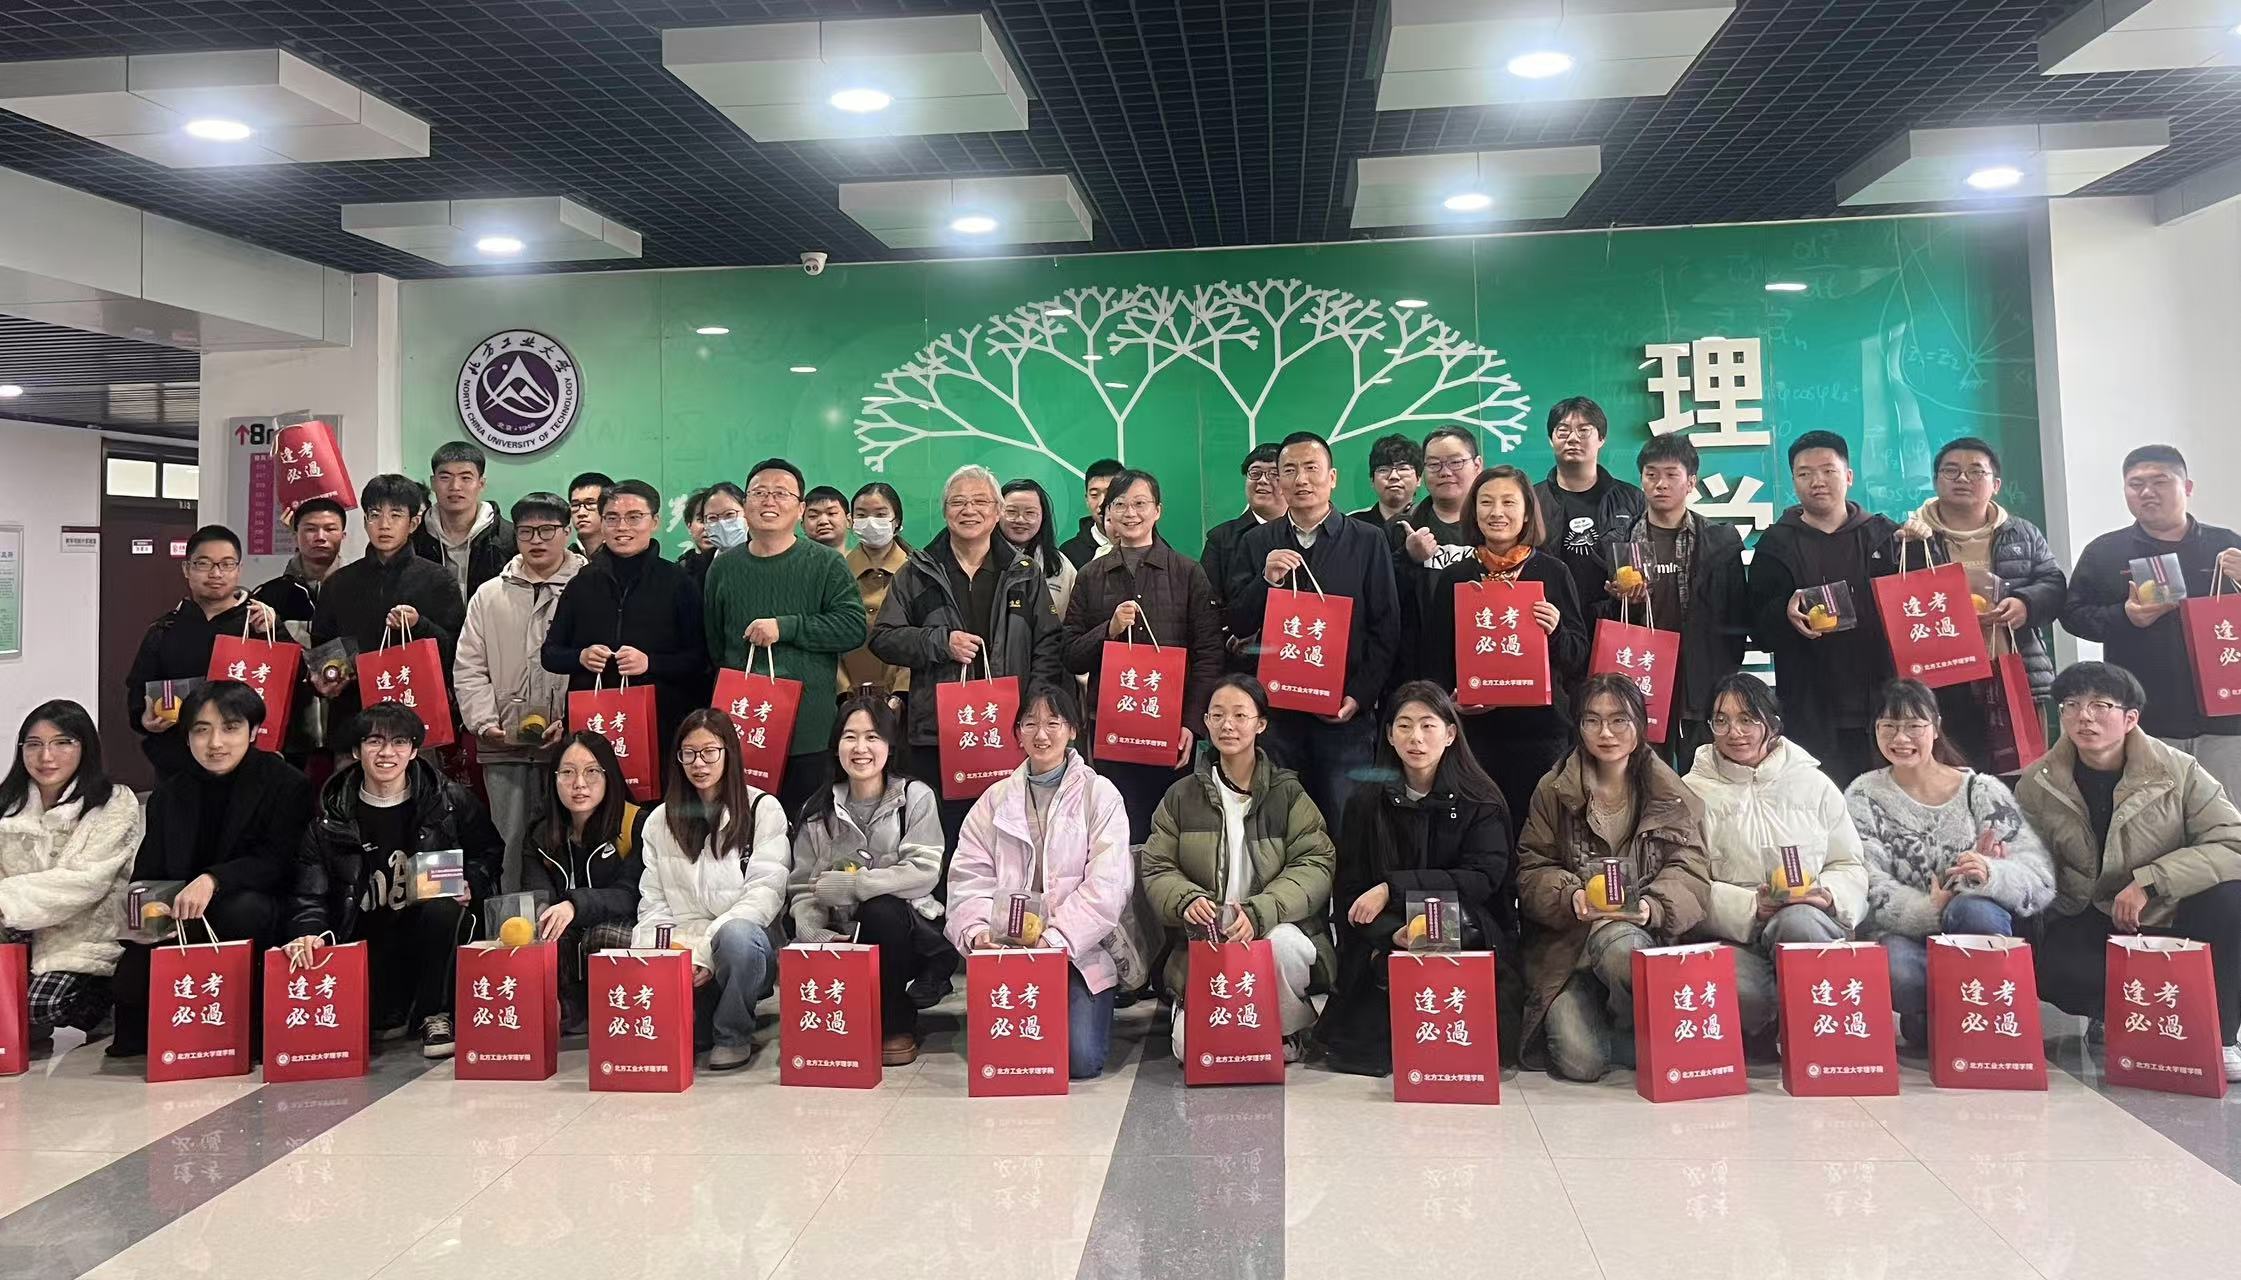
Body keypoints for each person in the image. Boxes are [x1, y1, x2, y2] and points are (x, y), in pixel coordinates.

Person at [2020, 662, 2241, 1079]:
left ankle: (2223, 1036)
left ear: (2130, 718)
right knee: (2053, 968)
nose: (2084, 717)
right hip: (2088, 913)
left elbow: (2233, 841)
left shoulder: (2178, 771)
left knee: (2232, 899)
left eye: (2100, 706)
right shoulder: (2039, 781)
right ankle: (2114, 1011)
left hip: (2169, 913)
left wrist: (2151, 881)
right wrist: (2003, 856)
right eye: (2072, 705)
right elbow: (2030, 860)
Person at [1315, 681, 1519, 1076]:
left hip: (1468, 931)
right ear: (1390, 735)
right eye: (1404, 726)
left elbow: (1482, 879)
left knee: (1462, 1051)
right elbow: (1350, 892)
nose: (1416, 738)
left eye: (1428, 725)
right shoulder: (1365, 802)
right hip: (1389, 936)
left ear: (1450, 733)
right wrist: (1393, 934)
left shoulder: (1481, 799)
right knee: (1362, 1052)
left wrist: (1392, 887)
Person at [282, 701, 504, 1059]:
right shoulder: (329, 819)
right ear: (357, 751)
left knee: (443, 907)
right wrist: (309, 932)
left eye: (399, 742)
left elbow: (489, 851)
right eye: (374, 742)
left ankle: (437, 1014)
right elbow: (310, 893)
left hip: (425, 931)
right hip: (363, 935)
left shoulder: (448, 801)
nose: (387, 753)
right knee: (375, 1026)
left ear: (414, 750)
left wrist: (470, 882)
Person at [1516, 674, 1710, 1082]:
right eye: (1592, 720)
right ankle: (1639, 1032)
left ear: (1639, 723)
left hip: (1640, 941)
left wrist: (1653, 907)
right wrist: (1570, 896)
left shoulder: (1670, 792)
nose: (1606, 733)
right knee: (1580, 1063)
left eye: (1619, 720)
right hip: (1571, 949)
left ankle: (1631, 1018)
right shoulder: (1554, 789)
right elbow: (1532, 868)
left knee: (1621, 944)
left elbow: (1691, 869)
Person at [110, 681, 315, 1058]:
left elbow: (279, 862)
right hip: (181, 913)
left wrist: (214, 880)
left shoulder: (286, 784)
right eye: (201, 730)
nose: (215, 743)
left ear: (253, 732)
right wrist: (146, 918)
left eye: (230, 728)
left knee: (241, 910)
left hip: (257, 905)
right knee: (129, 984)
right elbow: (148, 871)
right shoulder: (170, 794)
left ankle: (243, 1029)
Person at [1846, 679, 2053, 1051]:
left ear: (1936, 727)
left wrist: (1991, 874)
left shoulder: (1980, 790)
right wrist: (1926, 909)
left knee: (1977, 912)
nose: (1900, 738)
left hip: (1968, 922)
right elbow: (1866, 876)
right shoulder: (1863, 795)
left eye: (1914, 726)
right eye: (1888, 726)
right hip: (1901, 932)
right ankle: (1953, 1011)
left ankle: (1974, 1018)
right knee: (1897, 971)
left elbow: (2039, 877)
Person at [1141, 674, 1334, 1063]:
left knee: (1286, 944)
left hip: (1269, 928)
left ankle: (1289, 1027)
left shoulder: (1288, 794)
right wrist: (1185, 899)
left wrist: (1262, 911)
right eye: (1218, 715)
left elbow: (1316, 862)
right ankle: (1191, 1008)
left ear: (1261, 724)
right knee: (1190, 1051)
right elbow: (1157, 864)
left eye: (1240, 715)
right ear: (1206, 723)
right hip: (1205, 939)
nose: (1228, 725)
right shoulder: (1181, 796)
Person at [946, 681, 1134, 1079]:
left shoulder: (1099, 794)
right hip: (1006, 952)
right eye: (1030, 723)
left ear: (1073, 730)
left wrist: (1053, 941)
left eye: (1054, 722)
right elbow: (968, 877)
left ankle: (1091, 1004)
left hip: (1077, 951)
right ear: (1017, 733)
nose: (1041, 734)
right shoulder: (994, 799)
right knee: (1009, 1059)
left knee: (1079, 1060)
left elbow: (1109, 885)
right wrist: (978, 933)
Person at [870, 464, 1064, 846]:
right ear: (945, 511)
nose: (969, 510)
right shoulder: (917, 572)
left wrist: (1031, 709)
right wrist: (940, 643)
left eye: (980, 502)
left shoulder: (1025, 573)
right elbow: (883, 638)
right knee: (943, 837)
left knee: (1007, 835)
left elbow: (1048, 644)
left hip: (1005, 728)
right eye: (958, 502)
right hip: (939, 733)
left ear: (997, 511)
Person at [1223, 431, 1402, 828]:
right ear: (1279, 481)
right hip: (1278, 717)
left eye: (1311, 468)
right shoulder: (1257, 542)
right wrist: (1265, 581)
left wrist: (1358, 697)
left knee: (1346, 823)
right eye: (1289, 470)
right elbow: (1238, 623)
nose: (1301, 479)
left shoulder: (1367, 540)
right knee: (1274, 824)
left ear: (1332, 477)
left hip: (1343, 717)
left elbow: (1386, 628)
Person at [1682, 673, 1868, 1043]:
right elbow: (1686, 881)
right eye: (1721, 720)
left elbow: (1848, 863)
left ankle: (1810, 1029)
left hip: (1809, 926)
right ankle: (1791, 1011)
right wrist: (1752, 907)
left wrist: (1829, 895)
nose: (1735, 732)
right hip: (1733, 937)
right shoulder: (1691, 792)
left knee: (1798, 921)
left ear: (1773, 724)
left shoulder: (1814, 784)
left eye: (1748, 719)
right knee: (1743, 994)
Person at [2063, 445, 2241, 799]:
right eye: (2135, 484)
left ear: (2187, 487)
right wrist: (2124, 616)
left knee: (2229, 819)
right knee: (2156, 818)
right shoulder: (2105, 552)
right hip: (2146, 716)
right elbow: (2072, 615)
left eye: (2160, 481)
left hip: (2227, 716)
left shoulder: (2225, 545)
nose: (2147, 492)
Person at [1424, 466, 1592, 831]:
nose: (1496, 512)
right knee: (1480, 832)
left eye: (1508, 502)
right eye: (1486, 502)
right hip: (1475, 735)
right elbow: (1435, 660)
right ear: (1473, 512)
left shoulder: (1553, 572)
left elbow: (1578, 658)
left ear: (1528, 512)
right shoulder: (1456, 577)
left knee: (1539, 833)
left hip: (1541, 735)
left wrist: (1556, 630)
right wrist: (1451, 702)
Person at [1061, 469, 1226, 839]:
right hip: (1112, 732)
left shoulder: (1187, 573)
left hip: (1170, 729)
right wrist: (1108, 631)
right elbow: (1070, 654)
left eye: (1140, 503)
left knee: (1173, 832)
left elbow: (1209, 655)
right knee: (1116, 832)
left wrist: (1191, 723)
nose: (1130, 513)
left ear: (1157, 510)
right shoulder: (1090, 576)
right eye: (1119, 505)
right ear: (1107, 513)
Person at [703, 459, 868, 816]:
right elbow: (716, 645)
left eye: (781, 493)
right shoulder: (723, 568)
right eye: (759, 493)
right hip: (744, 725)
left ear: (800, 508)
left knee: (807, 828)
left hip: (808, 730)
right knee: (743, 825)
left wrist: (787, 628)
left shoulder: (825, 563)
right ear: (745, 504)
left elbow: (852, 627)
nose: (769, 501)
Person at [1892, 437, 2068, 770]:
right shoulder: (1909, 538)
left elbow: (2053, 584)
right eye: (1951, 471)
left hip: (2012, 672)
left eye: (1976, 471)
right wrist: (1904, 549)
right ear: (1935, 481)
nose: (1962, 478)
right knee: (1947, 776)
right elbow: (1895, 604)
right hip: (1943, 680)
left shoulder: (2022, 533)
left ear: (1996, 484)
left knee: (2022, 775)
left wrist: (2025, 605)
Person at [788, 695, 945, 1065]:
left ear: (890, 745)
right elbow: (802, 889)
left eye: (872, 737)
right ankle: (851, 1021)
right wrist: (814, 932)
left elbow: (924, 872)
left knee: (881, 910)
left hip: (909, 934)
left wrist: (855, 885)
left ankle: (896, 1021)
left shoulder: (914, 797)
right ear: (836, 746)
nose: (861, 748)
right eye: (850, 737)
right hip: (841, 935)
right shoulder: (817, 810)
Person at [633, 710, 792, 1071]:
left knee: (737, 936)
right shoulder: (659, 821)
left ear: (729, 753)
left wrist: (703, 952)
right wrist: (668, 956)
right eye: (689, 753)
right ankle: (699, 1020)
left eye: (709, 752)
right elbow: (653, 903)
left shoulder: (762, 809)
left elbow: (764, 896)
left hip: (744, 946)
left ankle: (732, 1036)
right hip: (683, 950)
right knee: (689, 1038)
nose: (698, 763)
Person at [1746, 430, 1901, 787]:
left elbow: (1914, 609)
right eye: (1805, 473)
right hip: (1809, 705)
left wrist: (1926, 545)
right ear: (1794, 482)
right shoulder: (1775, 544)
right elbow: (1758, 628)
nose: (1817, 481)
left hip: (1882, 700)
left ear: (1849, 476)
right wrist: (1784, 613)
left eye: (1828, 471)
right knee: (1817, 803)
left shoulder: (1885, 537)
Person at [454, 492, 584, 891]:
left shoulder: (590, 587)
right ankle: (512, 924)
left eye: (547, 530)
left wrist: (571, 722)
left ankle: (570, 922)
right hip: (504, 745)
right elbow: (469, 666)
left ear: (566, 532)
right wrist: (484, 723)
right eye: (527, 531)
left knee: (574, 841)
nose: (536, 540)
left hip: (573, 747)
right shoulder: (489, 594)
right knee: (508, 843)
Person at [542, 478, 708, 782]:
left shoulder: (678, 583)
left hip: (660, 725)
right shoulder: (582, 583)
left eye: (634, 517)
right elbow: (550, 654)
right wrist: (580, 657)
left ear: (654, 522)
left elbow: (699, 660)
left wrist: (650, 663)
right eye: (612, 518)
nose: (622, 527)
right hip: (593, 726)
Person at [0, 701, 144, 1046]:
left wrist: (4, 900)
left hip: (80, 937)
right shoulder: (7, 803)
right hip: (15, 933)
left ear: (85, 747)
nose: (46, 756)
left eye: (62, 743)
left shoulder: (113, 801)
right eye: (34, 744)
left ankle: (101, 1005)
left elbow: (86, 881)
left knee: (40, 1005)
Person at [1606, 435, 1748, 768]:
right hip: (1641, 674)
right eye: (1651, 474)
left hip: (1701, 679)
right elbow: (1605, 618)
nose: (1661, 484)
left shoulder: (1720, 542)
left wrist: (1720, 672)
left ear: (1691, 482)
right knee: (1641, 773)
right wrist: (1622, 602)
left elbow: (1737, 615)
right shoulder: (1619, 543)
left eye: (1672, 474)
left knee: (1704, 775)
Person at [307, 475, 469, 728]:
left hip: (416, 716)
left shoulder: (438, 580)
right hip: (352, 717)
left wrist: (418, 625)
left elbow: (457, 652)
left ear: (413, 523)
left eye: (395, 515)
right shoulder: (338, 583)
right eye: (375, 515)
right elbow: (321, 649)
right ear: (365, 521)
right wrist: (326, 676)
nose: (384, 525)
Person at [125, 524, 276, 780]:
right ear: (186, 569)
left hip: (249, 766)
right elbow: (138, 689)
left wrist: (273, 632)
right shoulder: (165, 629)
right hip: (179, 765)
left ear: (239, 569)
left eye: (226, 564)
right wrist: (144, 719)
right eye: (204, 564)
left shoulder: (261, 624)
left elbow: (292, 679)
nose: (216, 573)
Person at [524, 730, 647, 1033]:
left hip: (621, 930)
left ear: (609, 776)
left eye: (592, 772)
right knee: (539, 933)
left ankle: (614, 1011)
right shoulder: (540, 834)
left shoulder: (636, 824)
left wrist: (574, 905)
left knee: (603, 935)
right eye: (567, 773)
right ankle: (563, 1007)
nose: (579, 784)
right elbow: (537, 896)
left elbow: (631, 894)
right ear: (553, 779)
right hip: (567, 937)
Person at [254, 499, 349, 766]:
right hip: (287, 730)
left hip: (348, 726)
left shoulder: (360, 590)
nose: (320, 537)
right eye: (310, 529)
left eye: (330, 529)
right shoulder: (269, 596)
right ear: (295, 534)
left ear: (343, 535)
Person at [1534, 397, 1647, 614]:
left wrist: (1636, 588)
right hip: (1551, 620)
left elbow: (1645, 565)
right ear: (1551, 439)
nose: (1572, 438)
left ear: (1601, 438)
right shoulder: (1532, 500)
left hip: (1615, 619)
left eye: (1583, 430)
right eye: (1563, 431)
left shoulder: (1632, 500)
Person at [1200, 443, 1286, 672]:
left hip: (1297, 656)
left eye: (1273, 474)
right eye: (1255, 473)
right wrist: (1236, 632)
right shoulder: (1221, 539)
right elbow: (1207, 607)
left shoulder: (1304, 535)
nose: (1263, 481)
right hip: (1238, 662)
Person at [412, 440, 514, 601]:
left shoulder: (509, 539)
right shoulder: (413, 538)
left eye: (465, 478)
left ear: (481, 484)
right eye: (445, 477)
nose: (455, 486)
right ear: (433, 483)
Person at [841, 481, 913, 702]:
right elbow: (825, 637)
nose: (871, 522)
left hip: (903, 699)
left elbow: (920, 637)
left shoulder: (917, 571)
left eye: (881, 515)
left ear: (897, 521)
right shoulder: (837, 571)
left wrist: (901, 693)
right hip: (844, 701)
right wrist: (842, 693)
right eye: (862, 515)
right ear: (851, 520)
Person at [1002, 478, 1079, 619]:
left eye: (1030, 513)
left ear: (1043, 517)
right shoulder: (980, 558)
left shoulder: (1061, 565)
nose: (1020, 519)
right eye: (1011, 512)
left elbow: (1075, 621)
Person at [1059, 458, 1124, 569]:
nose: (1102, 503)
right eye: (1094, 495)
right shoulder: (1068, 553)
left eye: (1110, 493)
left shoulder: (1148, 545)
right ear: (1087, 500)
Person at [1350, 433, 1422, 526]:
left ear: (1418, 479)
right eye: (1383, 469)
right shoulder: (1352, 526)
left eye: (1403, 469)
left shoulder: (1433, 524)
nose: (1394, 476)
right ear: (1372, 480)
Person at [567, 471, 615, 558]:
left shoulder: (628, 554)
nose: (581, 513)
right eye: (575, 505)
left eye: (590, 503)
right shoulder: (561, 560)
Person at [802, 485, 852, 552]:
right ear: (803, 526)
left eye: (831, 513)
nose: (823, 521)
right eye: (813, 515)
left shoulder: (859, 558)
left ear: (849, 521)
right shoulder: (793, 558)